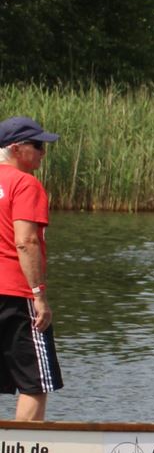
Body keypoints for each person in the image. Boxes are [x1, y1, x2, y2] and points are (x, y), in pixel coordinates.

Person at [0, 116, 61, 421]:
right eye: (37, 146)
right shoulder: (26, 184)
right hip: (16, 292)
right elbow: (25, 241)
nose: (43, 153)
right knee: (35, 382)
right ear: (15, 148)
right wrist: (39, 296)